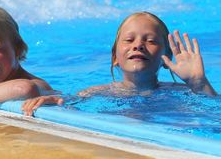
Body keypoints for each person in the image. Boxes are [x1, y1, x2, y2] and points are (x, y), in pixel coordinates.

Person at [22, 11, 217, 115]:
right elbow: (67, 101)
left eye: (150, 41)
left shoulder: (180, 92)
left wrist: (200, 84)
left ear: (166, 59)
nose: (138, 45)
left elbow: (215, 113)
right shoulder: (96, 93)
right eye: (129, 40)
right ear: (115, 57)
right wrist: (54, 100)